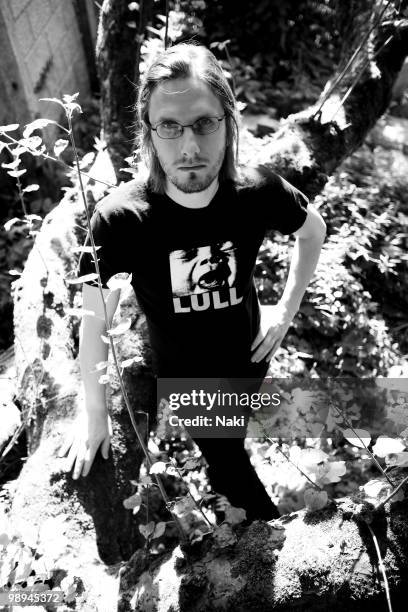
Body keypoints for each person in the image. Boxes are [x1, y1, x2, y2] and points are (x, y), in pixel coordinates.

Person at [59, 42, 326, 522]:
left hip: (251, 354)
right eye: (170, 126)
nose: (189, 148)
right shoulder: (121, 218)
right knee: (228, 464)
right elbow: (94, 320)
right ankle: (267, 539)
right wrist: (94, 413)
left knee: (237, 428)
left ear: (228, 122)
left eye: (205, 122)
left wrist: (284, 312)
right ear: (149, 131)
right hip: (186, 377)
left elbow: (314, 229)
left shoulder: (256, 189)